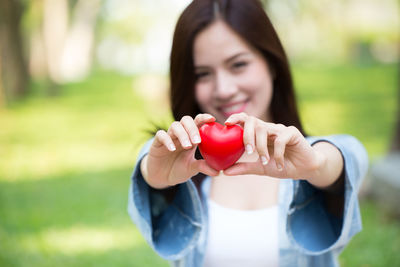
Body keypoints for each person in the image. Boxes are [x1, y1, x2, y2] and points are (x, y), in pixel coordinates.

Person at [128, 0, 368, 266]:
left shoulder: (312, 160)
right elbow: (149, 164)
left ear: (272, 63)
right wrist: (154, 175)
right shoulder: (181, 165)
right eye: (203, 74)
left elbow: (349, 154)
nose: (224, 89)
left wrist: (315, 164)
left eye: (238, 64)